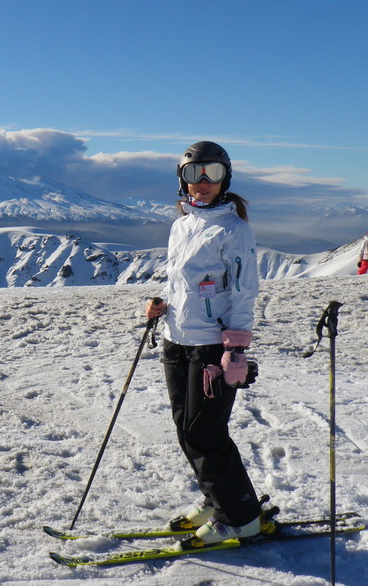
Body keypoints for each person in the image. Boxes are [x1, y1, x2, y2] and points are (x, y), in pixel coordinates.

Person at [145, 141, 262, 546]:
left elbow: (245, 291)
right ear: (183, 179)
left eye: (212, 172)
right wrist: (164, 302)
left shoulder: (234, 229)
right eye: (194, 174)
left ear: (225, 177)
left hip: (213, 345)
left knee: (205, 434)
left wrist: (236, 348)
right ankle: (217, 498)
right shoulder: (181, 225)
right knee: (186, 429)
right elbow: (180, 278)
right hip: (176, 339)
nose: (203, 182)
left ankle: (242, 517)